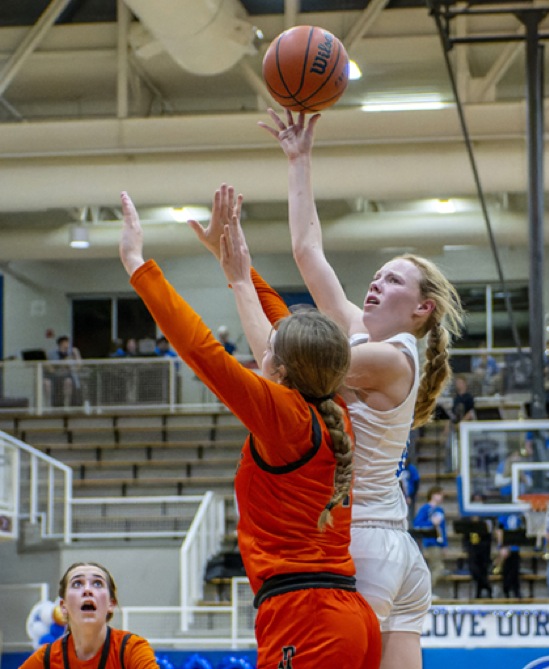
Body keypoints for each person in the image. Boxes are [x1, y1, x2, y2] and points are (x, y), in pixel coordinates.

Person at [119, 191, 382, 669]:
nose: (263, 344)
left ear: (278, 366)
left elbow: (202, 351)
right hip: (345, 614)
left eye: (269, 348)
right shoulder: (331, 408)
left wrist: (138, 266)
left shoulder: (286, 416)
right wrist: (234, 265)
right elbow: (289, 328)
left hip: (306, 619)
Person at [256, 109, 465, 669]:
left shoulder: (392, 356)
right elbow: (308, 252)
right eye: (376, 274)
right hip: (397, 546)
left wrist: (239, 282)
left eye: (393, 280)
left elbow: (288, 361)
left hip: (364, 542)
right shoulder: (367, 338)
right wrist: (299, 161)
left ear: (422, 309)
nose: (376, 282)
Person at [19, 561, 158, 669]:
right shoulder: (47, 658)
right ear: (63, 606)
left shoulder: (131, 648)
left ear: (111, 604)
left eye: (97, 583)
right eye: (77, 584)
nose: (87, 590)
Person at [413, 486, 448, 592]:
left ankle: (427, 591)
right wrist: (431, 522)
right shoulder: (425, 509)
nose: (441, 497)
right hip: (430, 541)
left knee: (435, 567)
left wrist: (445, 544)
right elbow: (417, 524)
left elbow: (443, 529)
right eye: (439, 494)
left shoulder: (440, 510)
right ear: (432, 495)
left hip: (439, 541)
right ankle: (427, 591)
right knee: (438, 567)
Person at [44, 335, 82, 408]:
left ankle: (66, 404)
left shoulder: (72, 352)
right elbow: (50, 366)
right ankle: (48, 405)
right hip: (55, 376)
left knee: (68, 382)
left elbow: (78, 366)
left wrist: (76, 355)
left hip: (68, 375)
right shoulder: (52, 353)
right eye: (65, 343)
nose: (67, 345)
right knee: (46, 383)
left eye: (67, 343)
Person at [399, 456, 421, 526]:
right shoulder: (399, 468)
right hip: (401, 494)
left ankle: (411, 526)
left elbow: (416, 481)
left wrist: (411, 496)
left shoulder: (412, 469)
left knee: (411, 512)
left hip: (411, 493)